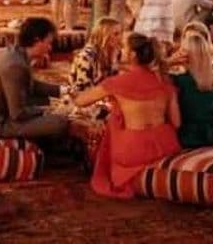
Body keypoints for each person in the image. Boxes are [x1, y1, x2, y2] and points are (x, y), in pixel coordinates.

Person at [74, 33, 181, 199]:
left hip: (133, 150)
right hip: (165, 147)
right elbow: (177, 122)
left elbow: (81, 101)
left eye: (124, 47)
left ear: (132, 55)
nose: (120, 50)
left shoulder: (118, 82)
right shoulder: (165, 82)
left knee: (107, 127)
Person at [0, 17, 69, 141]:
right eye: (48, 43)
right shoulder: (15, 65)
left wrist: (63, 91)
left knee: (43, 101)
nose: (50, 48)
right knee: (60, 122)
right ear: (37, 40)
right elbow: (18, 114)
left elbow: (30, 84)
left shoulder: (14, 53)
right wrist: (49, 111)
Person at [170, 32, 213, 148]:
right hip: (212, 138)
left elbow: (148, 75)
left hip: (188, 140)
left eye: (181, 51)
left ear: (186, 56)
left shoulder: (179, 81)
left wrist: (170, 61)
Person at [68, 17, 122, 93]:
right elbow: (83, 89)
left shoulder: (115, 52)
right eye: (116, 34)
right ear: (103, 35)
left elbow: (114, 83)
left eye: (120, 33)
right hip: (85, 98)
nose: (120, 38)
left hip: (102, 96)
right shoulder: (86, 56)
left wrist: (113, 63)